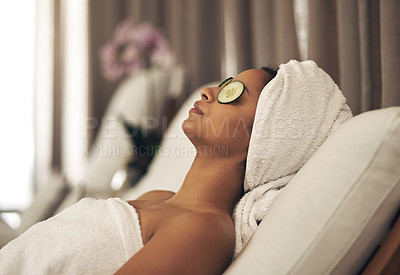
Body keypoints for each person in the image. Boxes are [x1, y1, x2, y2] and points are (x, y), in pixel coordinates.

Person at [0, 60, 352, 275]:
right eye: (225, 83)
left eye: (234, 93)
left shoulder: (205, 230)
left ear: (267, 137)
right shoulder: (157, 197)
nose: (211, 91)